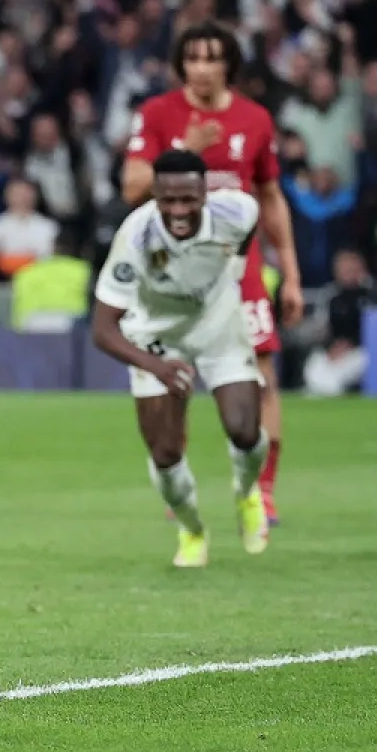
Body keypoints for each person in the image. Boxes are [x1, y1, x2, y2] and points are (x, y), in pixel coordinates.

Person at [123, 22, 303, 524]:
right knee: (174, 385)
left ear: (229, 64)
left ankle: (261, 492)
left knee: (262, 381)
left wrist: (290, 272)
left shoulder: (255, 119)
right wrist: (188, 147)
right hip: (173, 278)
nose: (202, 68)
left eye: (212, 58)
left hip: (239, 274)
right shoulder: (158, 115)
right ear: (182, 64)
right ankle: (178, 489)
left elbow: (271, 198)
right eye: (193, 58)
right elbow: (132, 186)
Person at [93, 148, 272, 568]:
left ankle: (247, 491)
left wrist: (236, 272)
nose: (178, 210)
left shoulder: (239, 210)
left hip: (216, 322)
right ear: (154, 194)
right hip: (155, 337)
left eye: (188, 199)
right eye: (167, 199)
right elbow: (102, 330)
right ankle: (192, 529)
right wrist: (157, 366)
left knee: (245, 431)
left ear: (205, 193)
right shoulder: (135, 236)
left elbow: (248, 232)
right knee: (165, 452)